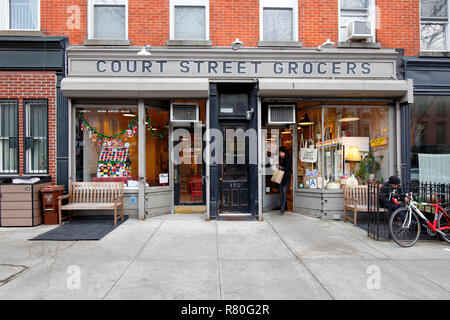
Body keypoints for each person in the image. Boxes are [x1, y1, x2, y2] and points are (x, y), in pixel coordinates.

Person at [278, 146, 292, 214]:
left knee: (283, 190)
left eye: (280, 152)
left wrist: (281, 167)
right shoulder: (281, 159)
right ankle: (285, 206)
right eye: (279, 153)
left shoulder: (287, 158)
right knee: (281, 191)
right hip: (282, 177)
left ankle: (282, 207)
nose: (280, 154)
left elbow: (287, 168)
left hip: (286, 177)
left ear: (283, 152)